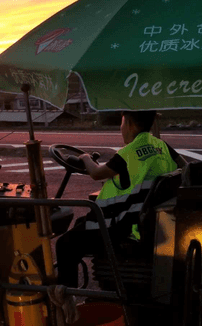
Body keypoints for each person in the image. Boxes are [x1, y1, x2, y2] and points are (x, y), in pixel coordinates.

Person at [56, 111, 186, 287]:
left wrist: (85, 158)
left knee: (64, 244)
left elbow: (96, 173)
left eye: (122, 122)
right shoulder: (162, 146)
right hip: (148, 220)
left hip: (121, 226)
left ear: (130, 124)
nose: (121, 128)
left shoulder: (127, 153)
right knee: (81, 223)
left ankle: (66, 297)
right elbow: (185, 167)